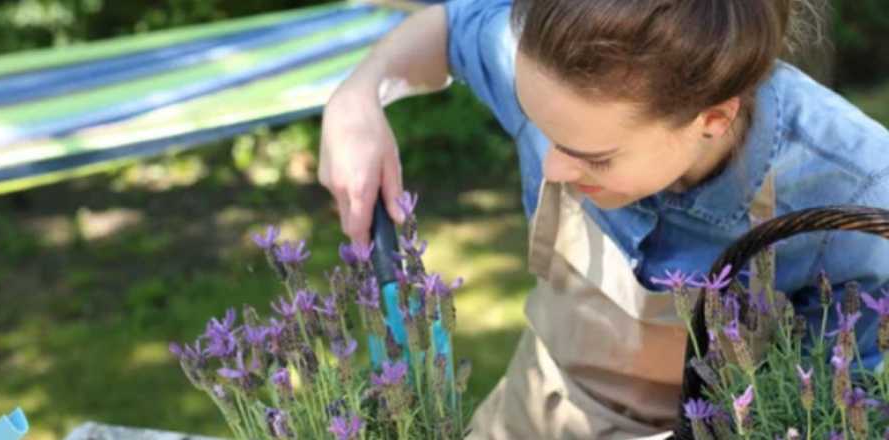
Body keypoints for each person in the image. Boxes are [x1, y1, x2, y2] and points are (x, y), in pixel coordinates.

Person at [318, 0, 889, 438]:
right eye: (545, 130)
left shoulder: (851, 190)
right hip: (534, 409)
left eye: (594, 157)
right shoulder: (539, 57)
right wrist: (358, 97)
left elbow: (848, 402)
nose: (555, 168)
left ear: (712, 119)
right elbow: (451, 25)